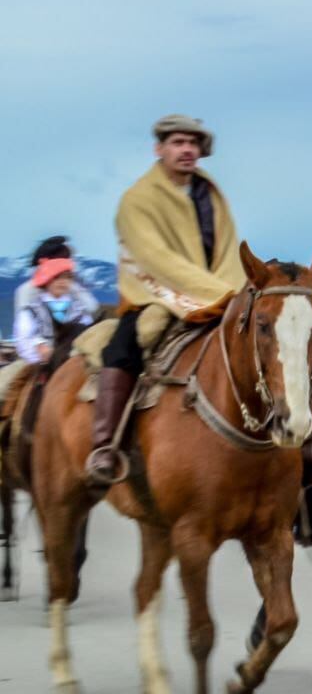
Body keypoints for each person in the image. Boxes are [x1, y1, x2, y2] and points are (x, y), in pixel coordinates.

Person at [84, 115, 246, 486]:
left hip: (217, 293)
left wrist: (235, 295)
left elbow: (229, 250)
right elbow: (154, 257)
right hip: (155, 295)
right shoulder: (137, 200)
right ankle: (105, 444)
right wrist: (215, 294)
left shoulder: (211, 196)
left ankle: (284, 435)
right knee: (124, 347)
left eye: (192, 142)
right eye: (177, 142)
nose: (186, 149)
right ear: (159, 149)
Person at [13, 258, 95, 367]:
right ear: (46, 279)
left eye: (67, 277)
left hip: (73, 364)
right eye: (57, 277)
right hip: (40, 365)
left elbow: (89, 334)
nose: (62, 281)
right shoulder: (32, 309)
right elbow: (22, 338)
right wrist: (38, 348)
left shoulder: (79, 309)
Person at [12, 236, 98, 332]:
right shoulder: (27, 291)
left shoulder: (71, 287)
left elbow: (91, 307)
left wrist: (73, 287)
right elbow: (23, 328)